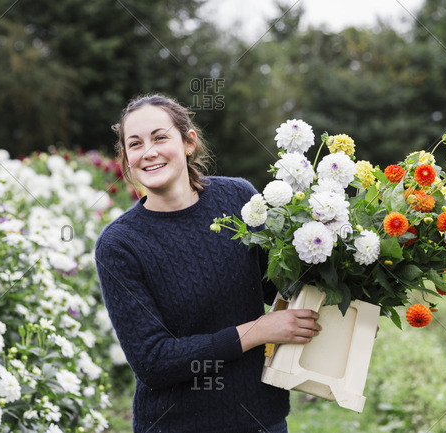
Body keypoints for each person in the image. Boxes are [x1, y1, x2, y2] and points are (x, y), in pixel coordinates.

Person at [95, 94, 322, 433]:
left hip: (263, 418)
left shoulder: (238, 198)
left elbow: (280, 285)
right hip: (178, 424)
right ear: (127, 158)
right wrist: (256, 331)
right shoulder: (119, 245)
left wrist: (343, 311)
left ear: (188, 142)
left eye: (160, 137)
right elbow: (154, 361)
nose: (150, 151)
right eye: (135, 144)